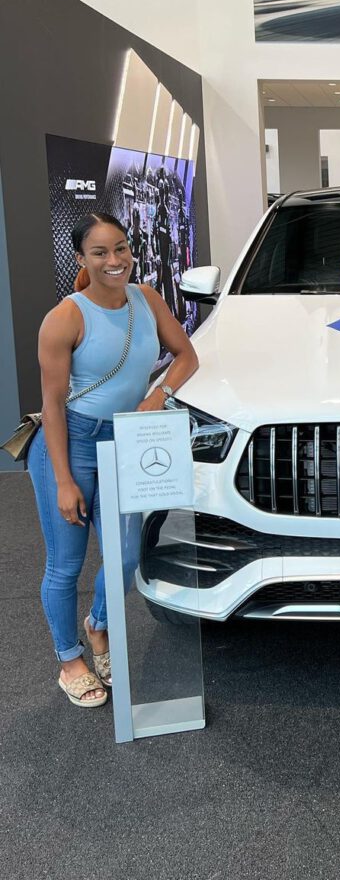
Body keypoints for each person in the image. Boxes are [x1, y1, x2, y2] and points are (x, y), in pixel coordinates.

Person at [28, 212, 198, 707]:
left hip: (127, 441)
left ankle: (98, 626)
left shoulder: (147, 299)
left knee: (126, 555)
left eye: (120, 248)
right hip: (72, 443)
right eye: (100, 252)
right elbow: (53, 406)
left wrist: (159, 394)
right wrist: (63, 480)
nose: (114, 260)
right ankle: (69, 659)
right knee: (66, 564)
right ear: (81, 258)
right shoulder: (65, 318)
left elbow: (186, 356)